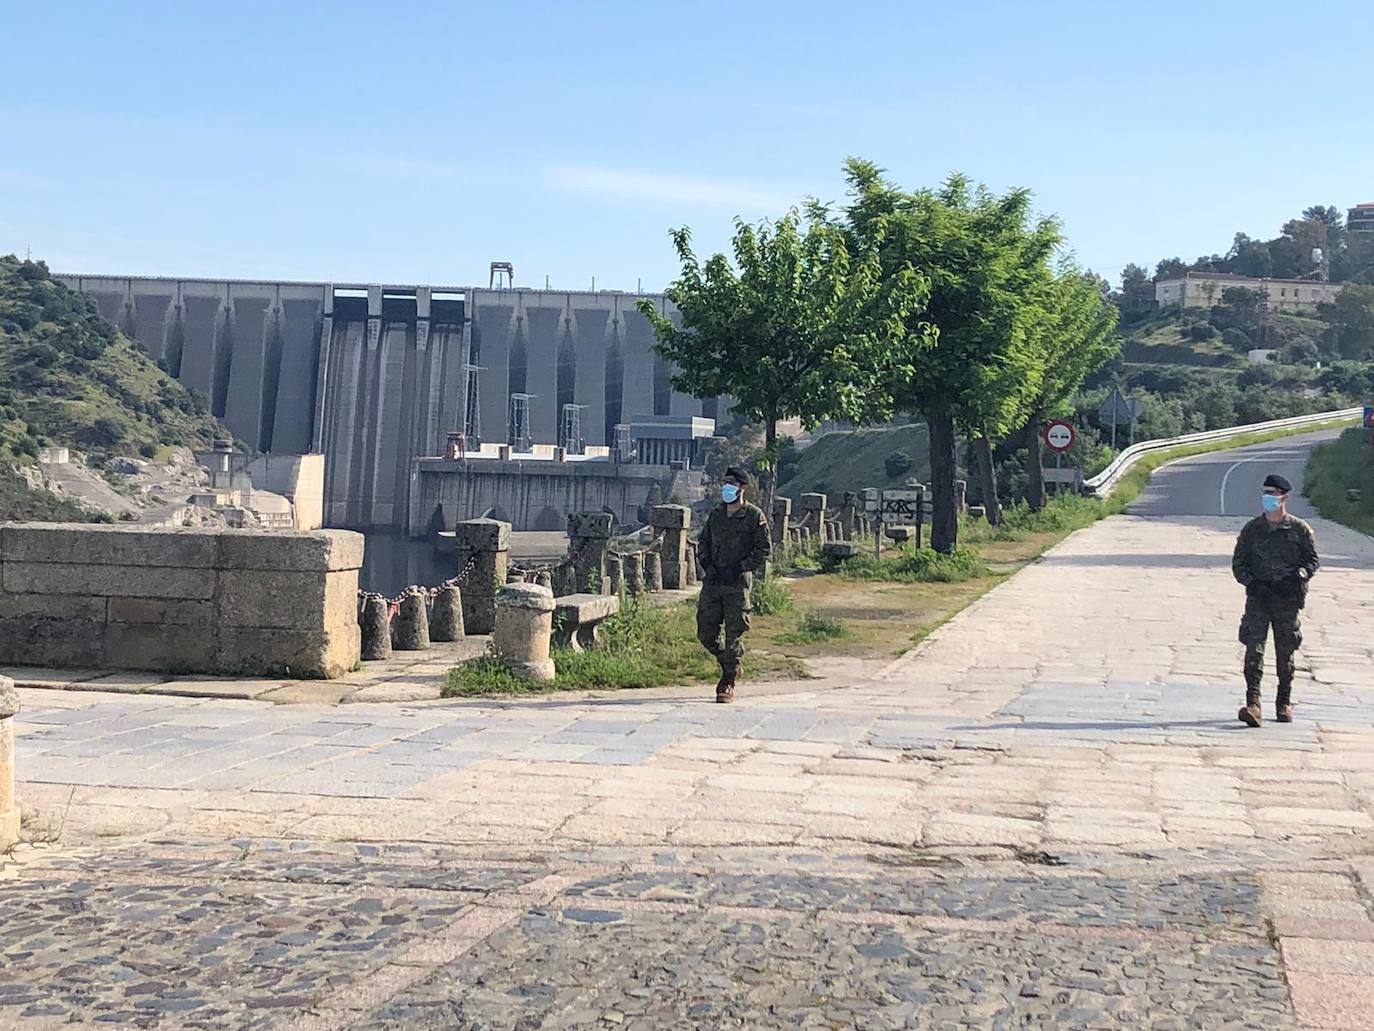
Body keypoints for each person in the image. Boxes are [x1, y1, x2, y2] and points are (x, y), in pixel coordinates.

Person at [1230, 473, 1319, 727]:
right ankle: (1253, 703)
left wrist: (1299, 576)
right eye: (1265, 493)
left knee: (1285, 652)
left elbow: (1312, 561)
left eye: (1273, 494)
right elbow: (1238, 563)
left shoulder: (1299, 529)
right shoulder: (1252, 529)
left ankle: (1283, 702)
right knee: (1253, 651)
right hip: (1259, 599)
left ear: (1284, 498)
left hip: (1286, 600)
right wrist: (1252, 583)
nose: (1268, 498)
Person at [695, 466, 771, 703]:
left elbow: (764, 550)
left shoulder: (753, 516)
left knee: (734, 634)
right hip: (714, 581)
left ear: (742, 488)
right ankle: (728, 662)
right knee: (706, 633)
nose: (726, 489)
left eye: (731, 485)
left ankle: (728, 680)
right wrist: (707, 564)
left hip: (737, 584)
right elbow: (704, 541)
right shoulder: (717, 514)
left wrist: (741, 567)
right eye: (724, 484)